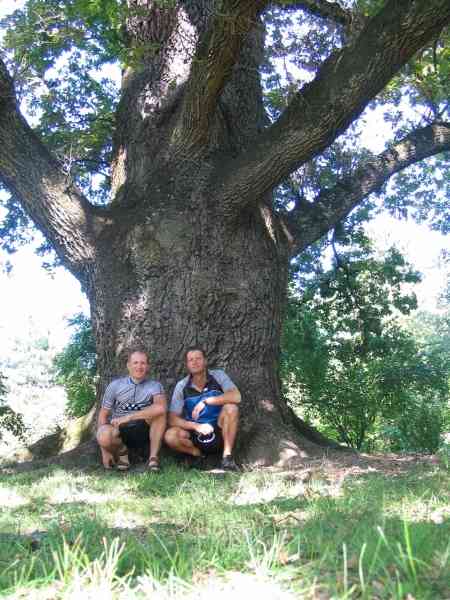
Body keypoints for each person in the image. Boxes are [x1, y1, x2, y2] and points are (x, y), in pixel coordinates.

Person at [164, 347, 240, 471]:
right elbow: (172, 419)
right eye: (191, 360)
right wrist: (196, 426)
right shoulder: (182, 386)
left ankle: (227, 458)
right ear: (187, 365)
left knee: (231, 408)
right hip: (195, 434)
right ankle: (197, 456)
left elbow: (236, 396)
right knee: (170, 435)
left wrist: (207, 401)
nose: (195, 362)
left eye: (198, 358)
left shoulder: (218, 376)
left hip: (220, 429)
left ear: (205, 361)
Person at [96, 348, 167, 471]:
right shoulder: (115, 386)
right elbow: (103, 415)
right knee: (103, 436)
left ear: (147, 366)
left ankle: (153, 458)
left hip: (144, 428)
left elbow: (161, 407)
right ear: (128, 365)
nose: (139, 366)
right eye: (135, 363)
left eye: (143, 363)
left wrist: (129, 417)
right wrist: (104, 451)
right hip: (119, 429)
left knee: (160, 415)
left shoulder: (155, 385)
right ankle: (123, 454)